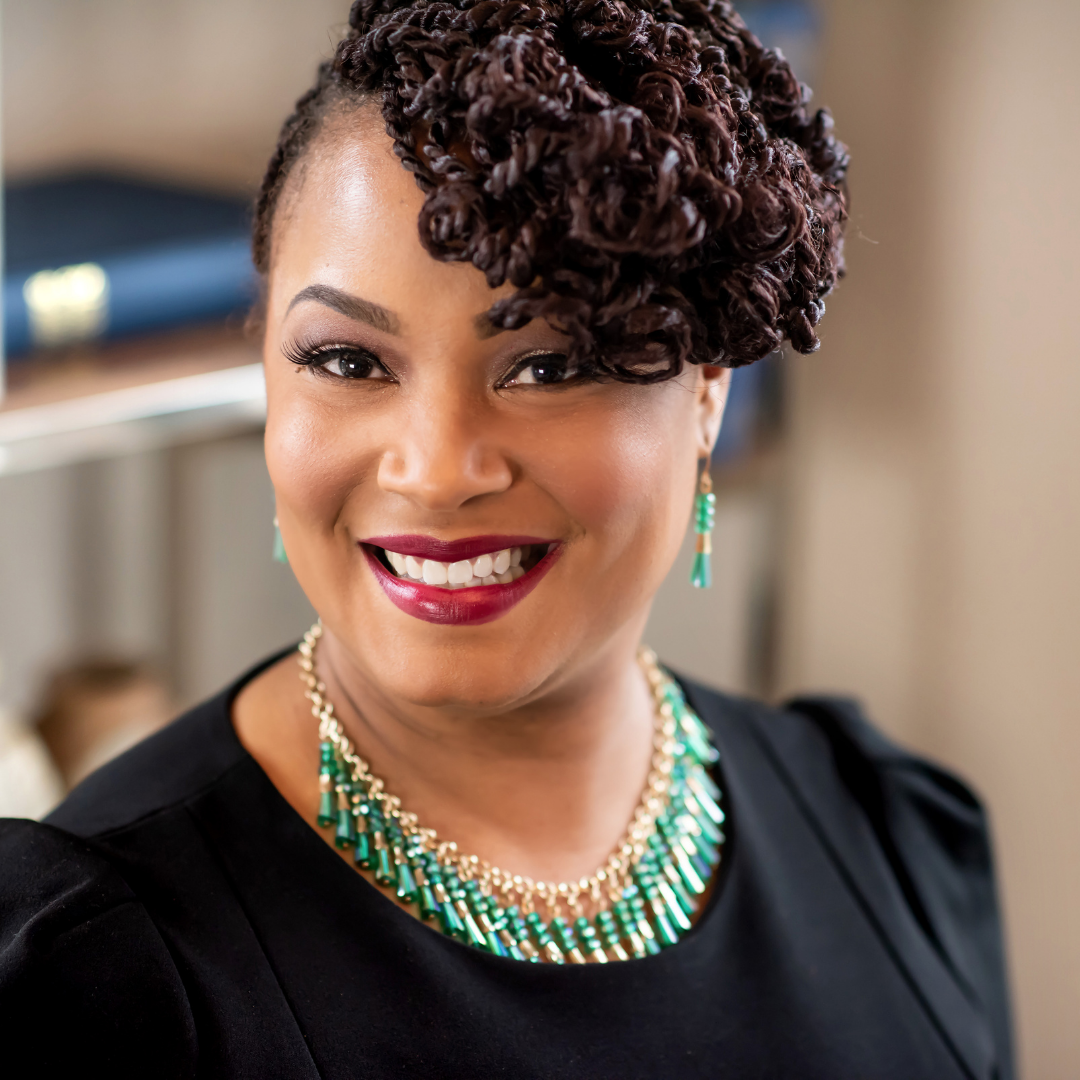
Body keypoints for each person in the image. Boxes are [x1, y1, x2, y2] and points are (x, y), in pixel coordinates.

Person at [0, 1, 1013, 1076]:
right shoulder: (102, 976)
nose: (436, 471)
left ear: (710, 389)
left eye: (549, 365)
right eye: (347, 362)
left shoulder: (886, 838)